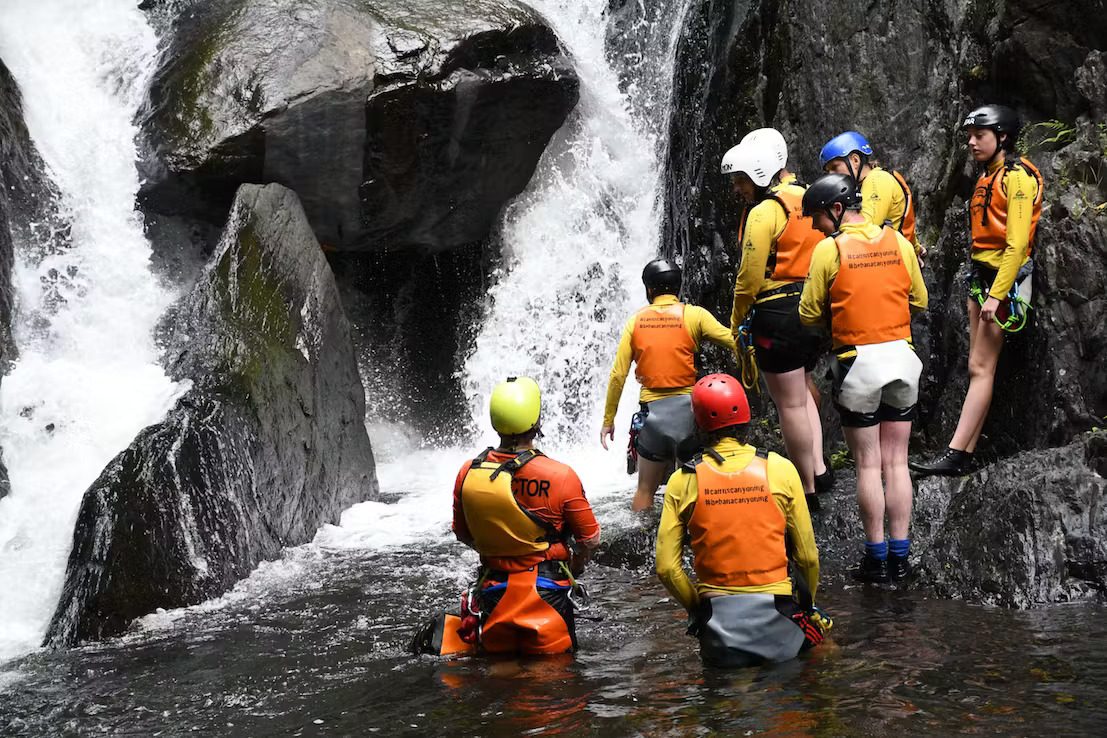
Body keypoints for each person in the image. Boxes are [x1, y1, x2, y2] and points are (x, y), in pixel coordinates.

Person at [798, 173, 928, 582]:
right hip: (903, 359)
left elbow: (807, 313)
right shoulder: (901, 243)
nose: (817, 226)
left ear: (837, 210)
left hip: (858, 364)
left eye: (818, 217)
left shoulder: (829, 250)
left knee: (870, 466)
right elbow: (919, 301)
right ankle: (902, 558)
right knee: (898, 462)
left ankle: (875, 559)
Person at [656, 373, 830, 667]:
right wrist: (808, 604)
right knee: (825, 651)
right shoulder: (780, 469)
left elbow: (667, 568)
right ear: (747, 419)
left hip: (718, 625)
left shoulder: (682, 480)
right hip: (778, 616)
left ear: (699, 425)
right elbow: (808, 558)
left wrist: (699, 610)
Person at [910, 105, 1043, 476]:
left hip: (1005, 280)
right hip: (982, 274)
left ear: (1002, 137)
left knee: (982, 367)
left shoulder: (1016, 178)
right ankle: (963, 453)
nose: (970, 142)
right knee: (977, 367)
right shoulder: (988, 175)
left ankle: (956, 454)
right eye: (969, 135)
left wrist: (998, 295)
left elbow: (1017, 246)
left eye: (978, 135)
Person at [430, 376, 601, 656]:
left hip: (494, 590)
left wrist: (501, 547)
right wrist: (577, 566)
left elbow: (463, 534)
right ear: (536, 422)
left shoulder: (468, 473)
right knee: (558, 683)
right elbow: (590, 539)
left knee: (500, 671)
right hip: (548, 592)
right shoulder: (560, 476)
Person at [720, 132, 832, 508]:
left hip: (776, 313)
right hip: (812, 307)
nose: (737, 189)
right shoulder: (813, 197)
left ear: (760, 172)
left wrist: (736, 323)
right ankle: (818, 468)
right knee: (801, 391)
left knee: (791, 406)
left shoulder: (765, 212)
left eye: (741, 181)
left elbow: (749, 277)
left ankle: (806, 489)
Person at [600, 259, 738, 512]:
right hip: (689, 416)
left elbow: (618, 375)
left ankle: (643, 545)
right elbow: (734, 341)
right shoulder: (694, 315)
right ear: (678, 286)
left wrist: (609, 420)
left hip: (652, 417)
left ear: (649, 290)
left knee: (644, 491)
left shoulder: (635, 322)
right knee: (695, 489)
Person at [819, 131, 925, 263]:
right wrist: (915, 247)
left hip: (892, 262)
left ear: (855, 160)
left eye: (835, 167)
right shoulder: (864, 184)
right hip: (892, 258)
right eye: (828, 172)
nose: (831, 176)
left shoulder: (877, 180)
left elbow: (864, 230)